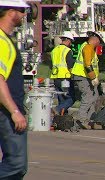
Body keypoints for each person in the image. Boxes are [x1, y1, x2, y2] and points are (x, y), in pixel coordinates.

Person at [0, 1, 29, 179]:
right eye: (22, 11)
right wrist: (14, 111)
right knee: (16, 164)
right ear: (11, 12)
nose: (24, 15)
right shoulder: (2, 42)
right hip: (5, 111)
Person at [71, 31, 101, 129]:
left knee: (95, 97)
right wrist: (93, 78)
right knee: (87, 98)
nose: (99, 44)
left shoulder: (89, 48)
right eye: (99, 42)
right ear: (95, 40)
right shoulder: (88, 47)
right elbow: (88, 64)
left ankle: (90, 120)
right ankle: (81, 120)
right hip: (83, 77)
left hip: (86, 77)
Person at [51, 31, 76, 115]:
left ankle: (61, 120)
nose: (71, 44)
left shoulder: (54, 50)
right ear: (68, 40)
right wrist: (74, 76)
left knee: (62, 100)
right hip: (65, 78)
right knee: (71, 99)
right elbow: (70, 66)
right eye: (71, 42)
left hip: (56, 78)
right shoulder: (67, 50)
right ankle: (57, 109)